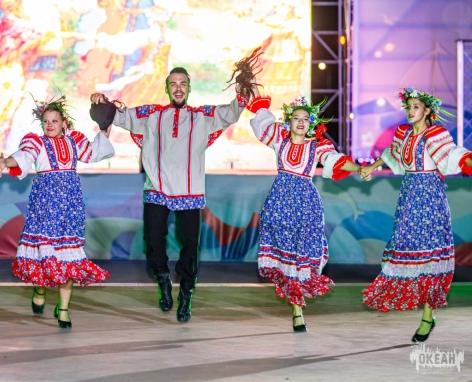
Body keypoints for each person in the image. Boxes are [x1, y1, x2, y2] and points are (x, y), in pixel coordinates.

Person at [90, 60, 251, 323]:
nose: (178, 88)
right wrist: (100, 101)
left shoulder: (202, 116)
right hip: (158, 188)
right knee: (153, 242)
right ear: (166, 88)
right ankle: (163, 278)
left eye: (182, 84)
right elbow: (119, 116)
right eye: (173, 84)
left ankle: (186, 293)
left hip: (190, 191)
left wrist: (243, 90)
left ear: (189, 88)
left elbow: (231, 113)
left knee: (191, 246)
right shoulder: (151, 115)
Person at [0, 94, 113, 329]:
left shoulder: (75, 140)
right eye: (46, 121)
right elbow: (24, 156)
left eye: (54, 121)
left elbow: (95, 152)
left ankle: (63, 309)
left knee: (68, 256)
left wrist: (106, 125)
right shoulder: (36, 142)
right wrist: (4, 163)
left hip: (70, 206)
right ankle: (40, 288)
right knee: (45, 253)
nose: (49, 125)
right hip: (45, 207)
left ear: (64, 122)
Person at [360, 87, 472, 343]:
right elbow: (391, 153)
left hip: (430, 197)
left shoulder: (436, 134)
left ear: (427, 110)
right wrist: (371, 167)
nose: (410, 111)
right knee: (404, 249)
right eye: (408, 107)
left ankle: (427, 317)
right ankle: (424, 307)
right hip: (409, 197)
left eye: (416, 107)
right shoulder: (404, 135)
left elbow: (455, 155)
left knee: (431, 256)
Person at [249, 93, 365, 332]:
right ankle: (296, 308)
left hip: (306, 205)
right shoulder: (279, 140)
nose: (301, 122)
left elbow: (335, 160)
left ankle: (297, 309)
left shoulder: (317, 146)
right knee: (287, 258)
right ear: (288, 122)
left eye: (305, 119)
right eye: (296, 118)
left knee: (300, 256)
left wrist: (359, 168)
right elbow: (262, 122)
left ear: (310, 123)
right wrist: (253, 96)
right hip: (279, 204)